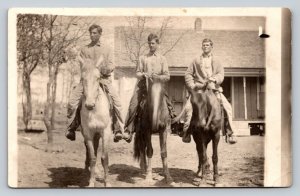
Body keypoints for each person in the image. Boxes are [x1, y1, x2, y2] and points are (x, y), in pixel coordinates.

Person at [65, 24, 129, 142]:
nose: (92, 35)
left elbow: (111, 65)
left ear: (100, 34)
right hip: (87, 81)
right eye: (90, 33)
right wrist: (88, 70)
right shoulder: (84, 50)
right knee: (72, 102)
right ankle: (71, 127)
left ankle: (119, 129)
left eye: (94, 33)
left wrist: (103, 70)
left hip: (103, 80)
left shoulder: (107, 49)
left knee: (117, 102)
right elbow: (83, 67)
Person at [123, 33, 176, 142]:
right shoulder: (143, 58)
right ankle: (129, 129)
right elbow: (137, 73)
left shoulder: (162, 59)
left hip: (158, 86)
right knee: (133, 104)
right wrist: (143, 75)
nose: (151, 45)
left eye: (153, 43)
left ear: (157, 44)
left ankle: (173, 122)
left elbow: (167, 76)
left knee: (168, 104)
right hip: (143, 87)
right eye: (149, 43)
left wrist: (159, 77)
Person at [183, 38, 237, 144]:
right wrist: (192, 85)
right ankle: (186, 132)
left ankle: (230, 132)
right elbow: (188, 74)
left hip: (213, 89)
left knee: (227, 107)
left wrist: (215, 79)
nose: (205, 47)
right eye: (203, 45)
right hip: (199, 90)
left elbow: (221, 74)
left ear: (212, 47)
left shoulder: (217, 61)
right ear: (201, 47)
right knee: (188, 108)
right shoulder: (196, 61)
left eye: (207, 45)